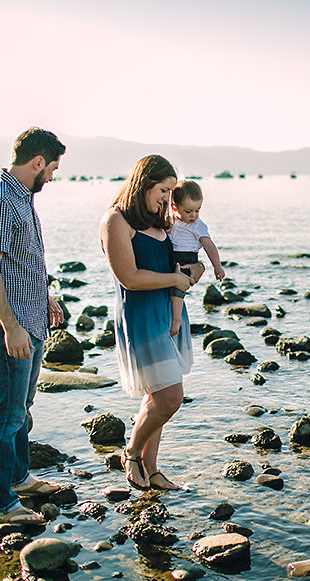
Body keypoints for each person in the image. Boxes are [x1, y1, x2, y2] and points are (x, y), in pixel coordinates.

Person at [0, 127, 66, 525]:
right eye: (53, 168)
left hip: (31, 318)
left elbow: (21, 262)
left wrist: (45, 297)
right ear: (37, 162)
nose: (53, 177)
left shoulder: (21, 199)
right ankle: (1, 507)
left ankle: (20, 478)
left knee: (20, 409)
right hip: (11, 325)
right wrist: (9, 327)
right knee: (6, 414)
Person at [99, 155, 205, 491]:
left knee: (157, 395)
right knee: (169, 397)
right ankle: (130, 454)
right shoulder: (115, 220)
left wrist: (195, 271)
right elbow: (129, 278)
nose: (168, 199)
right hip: (141, 318)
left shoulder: (162, 221)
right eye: (163, 190)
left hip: (169, 315)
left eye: (172, 192)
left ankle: (152, 467)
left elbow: (187, 259)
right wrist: (175, 279)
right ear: (143, 183)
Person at [167, 179, 225, 336]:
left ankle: (177, 318)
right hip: (171, 256)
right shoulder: (170, 219)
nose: (193, 215)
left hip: (187, 258)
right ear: (175, 207)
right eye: (188, 211)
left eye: (197, 210)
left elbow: (209, 245)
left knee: (177, 288)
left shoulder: (198, 225)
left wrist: (217, 266)